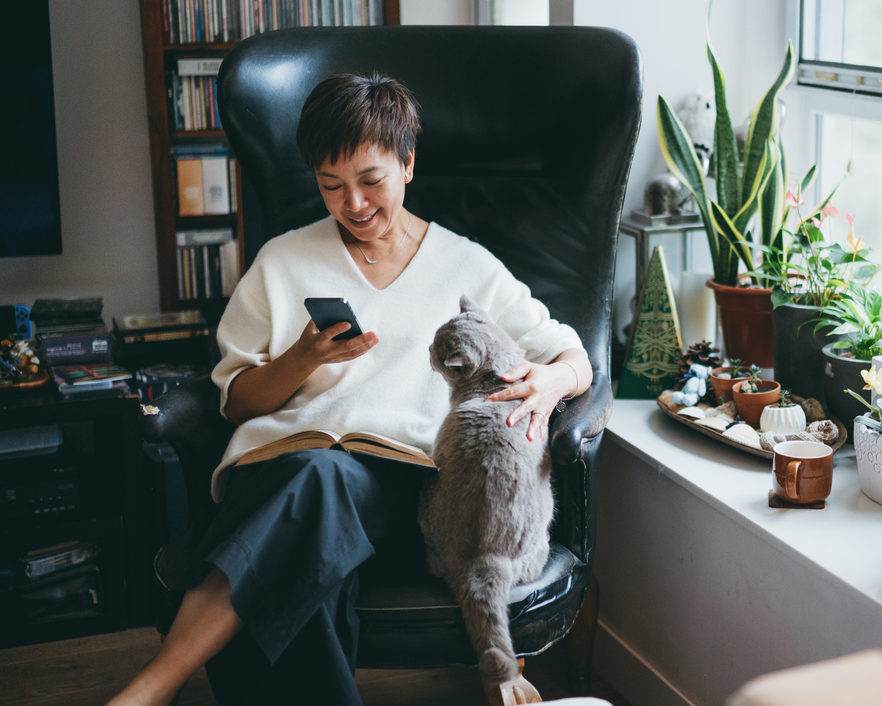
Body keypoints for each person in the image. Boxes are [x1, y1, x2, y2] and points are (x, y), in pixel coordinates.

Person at [108, 73, 592, 706]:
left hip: (401, 485)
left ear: (408, 164)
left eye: (371, 181)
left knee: (323, 486)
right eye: (331, 186)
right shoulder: (282, 261)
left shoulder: (465, 265)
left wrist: (551, 383)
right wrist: (304, 356)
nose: (354, 205)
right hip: (278, 469)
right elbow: (236, 402)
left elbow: (571, 352)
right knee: (314, 535)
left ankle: (155, 683)